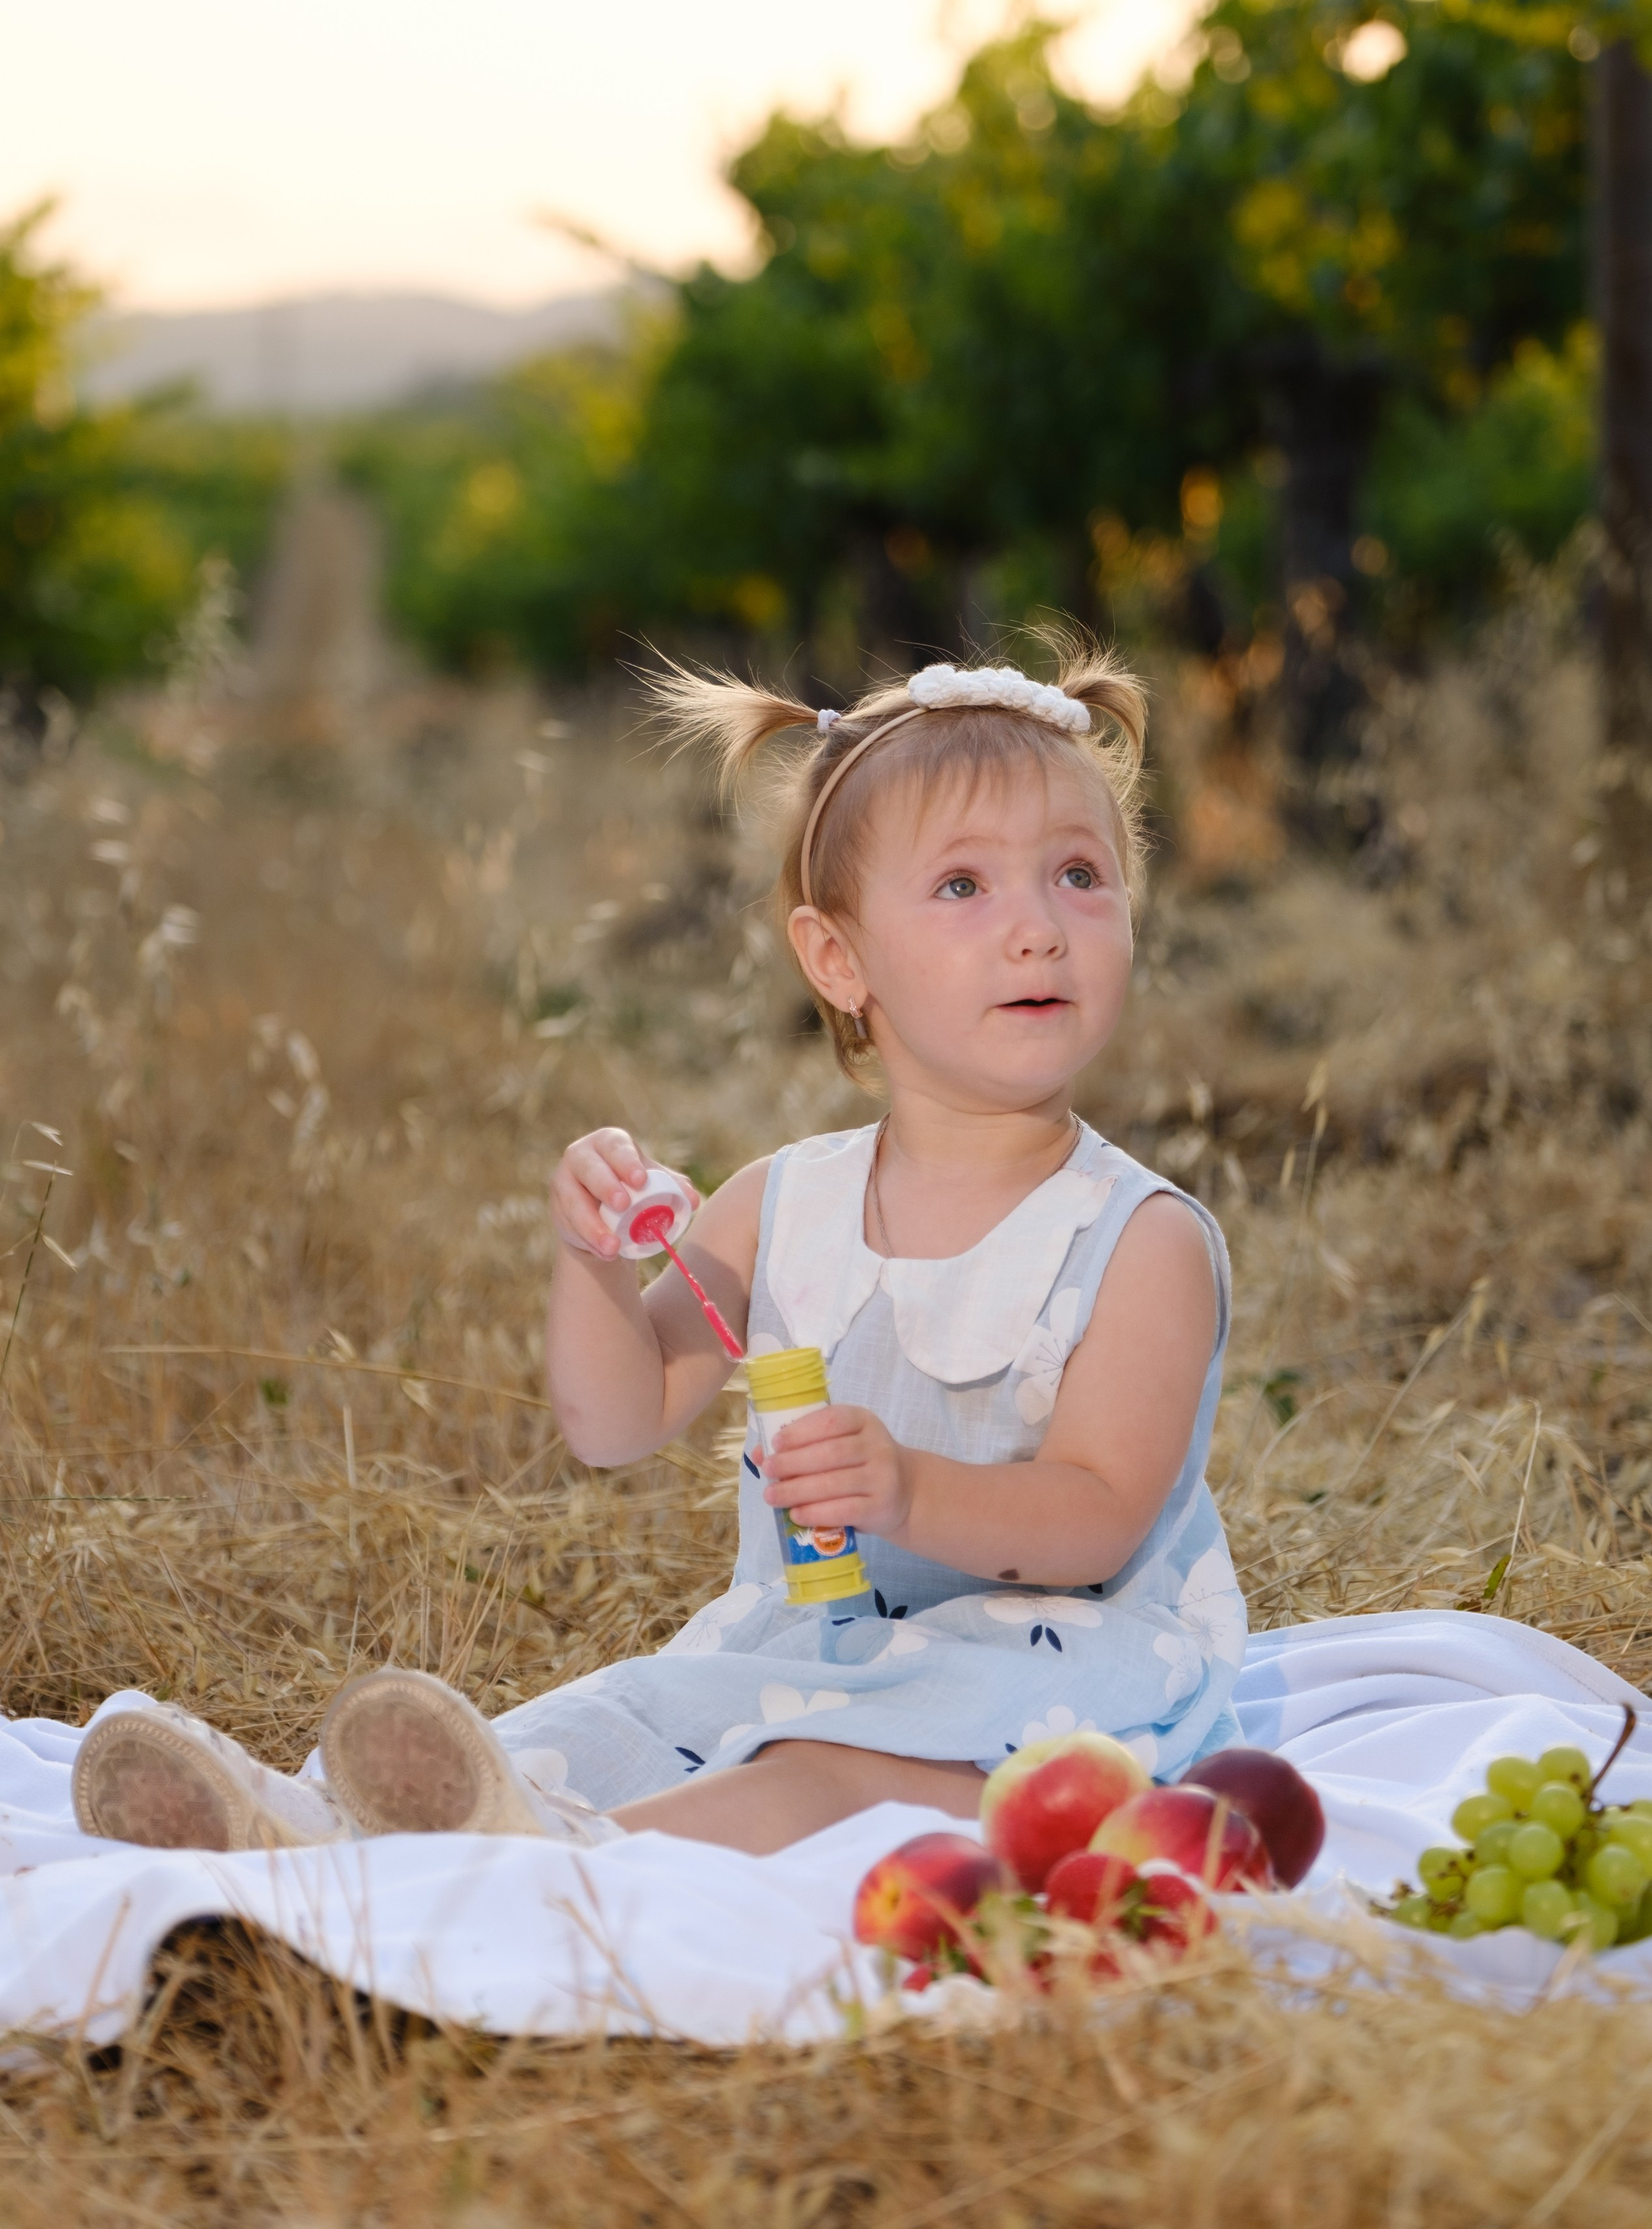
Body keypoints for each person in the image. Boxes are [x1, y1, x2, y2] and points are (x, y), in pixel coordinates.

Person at [71, 641, 1246, 1861]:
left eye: (1078, 876)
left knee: (821, 1780)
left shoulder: (1137, 1239)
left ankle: (557, 1871)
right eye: (964, 887)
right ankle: (324, 1825)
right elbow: (616, 1422)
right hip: (814, 1653)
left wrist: (911, 1491)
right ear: (838, 960)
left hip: (1059, 1696)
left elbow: (1101, 1516)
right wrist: (591, 1265)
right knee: (613, 1716)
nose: (1038, 931)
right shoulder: (784, 1204)